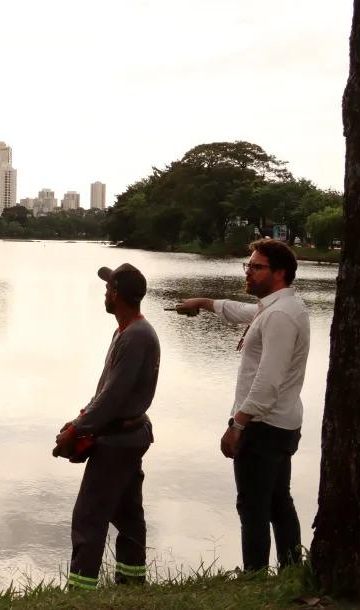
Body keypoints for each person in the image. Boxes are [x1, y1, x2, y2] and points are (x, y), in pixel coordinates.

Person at [175, 238, 310, 572]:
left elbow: (268, 381)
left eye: (256, 267)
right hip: (280, 423)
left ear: (279, 273)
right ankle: (291, 572)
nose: (248, 272)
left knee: (253, 508)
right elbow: (242, 312)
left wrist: (237, 424)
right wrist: (205, 302)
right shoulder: (278, 308)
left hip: (263, 426)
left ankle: (254, 578)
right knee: (279, 502)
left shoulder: (280, 317)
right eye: (247, 265)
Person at [57, 263, 161, 590]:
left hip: (119, 439)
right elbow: (106, 391)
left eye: (108, 288)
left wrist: (76, 431)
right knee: (128, 513)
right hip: (126, 434)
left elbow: (113, 398)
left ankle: (80, 588)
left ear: (116, 294)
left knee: (89, 515)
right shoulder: (126, 332)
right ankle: (131, 582)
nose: (104, 293)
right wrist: (81, 419)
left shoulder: (136, 337)